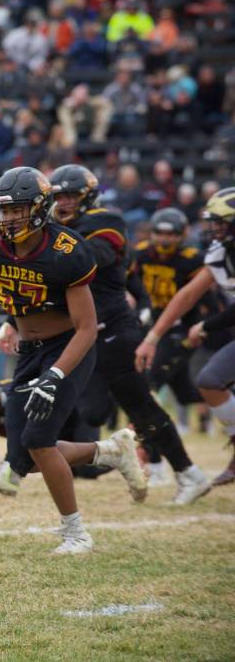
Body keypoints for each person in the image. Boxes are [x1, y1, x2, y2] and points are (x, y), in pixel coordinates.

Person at [0, 167, 144, 554]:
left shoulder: (66, 251)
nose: (9, 219)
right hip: (28, 350)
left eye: (18, 210)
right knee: (25, 455)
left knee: (38, 441)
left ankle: (76, 533)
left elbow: (87, 328)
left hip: (68, 348)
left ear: (39, 208)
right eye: (3, 211)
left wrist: (55, 375)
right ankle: (111, 452)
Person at [45, 165, 208, 505]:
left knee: (141, 407)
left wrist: (51, 239)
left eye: (71, 196)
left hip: (115, 331)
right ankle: (114, 456)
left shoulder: (107, 222)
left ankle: (188, 473)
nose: (63, 203)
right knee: (91, 411)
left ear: (88, 197)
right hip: (84, 334)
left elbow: (89, 260)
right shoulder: (56, 228)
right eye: (58, 197)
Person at [136, 191, 235, 487]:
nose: (214, 229)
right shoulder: (220, 253)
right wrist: (153, 337)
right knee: (209, 380)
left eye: (220, 223)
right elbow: (187, 294)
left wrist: (205, 326)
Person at [131, 208, 209, 485]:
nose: (164, 239)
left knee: (147, 391)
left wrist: (201, 330)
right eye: (160, 233)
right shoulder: (141, 254)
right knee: (187, 391)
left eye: (170, 234)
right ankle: (214, 404)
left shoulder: (192, 260)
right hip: (151, 328)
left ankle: (155, 462)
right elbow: (128, 284)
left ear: (182, 235)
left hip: (179, 332)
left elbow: (206, 301)